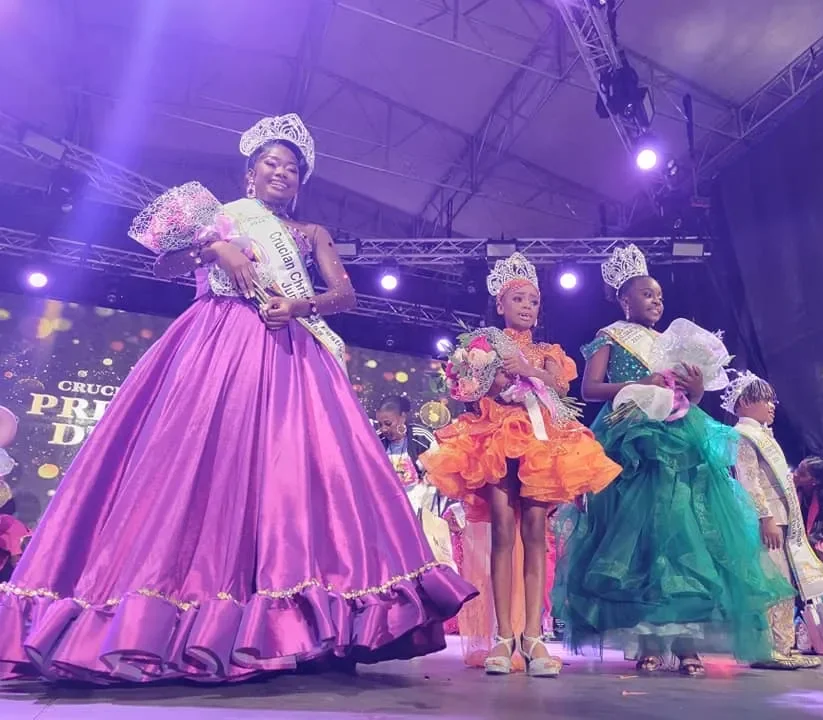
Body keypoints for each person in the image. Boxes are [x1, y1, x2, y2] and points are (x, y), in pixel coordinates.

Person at [0, 113, 476, 684]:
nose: (281, 173)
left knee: (292, 485)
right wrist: (214, 249)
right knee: (202, 474)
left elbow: (344, 295)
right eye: (271, 164)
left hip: (290, 357)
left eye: (292, 168)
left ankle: (294, 625)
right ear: (250, 175)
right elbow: (166, 262)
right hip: (215, 346)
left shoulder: (309, 234)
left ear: (301, 181)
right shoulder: (221, 218)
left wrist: (299, 307)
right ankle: (165, 616)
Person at [553, 244, 793, 676]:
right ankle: (648, 639)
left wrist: (697, 390)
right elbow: (590, 389)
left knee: (686, 538)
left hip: (680, 438)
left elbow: (688, 398)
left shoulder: (673, 342)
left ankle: (686, 645)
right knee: (641, 542)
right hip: (633, 441)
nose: (656, 301)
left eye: (660, 295)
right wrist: (638, 382)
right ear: (623, 298)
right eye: (646, 294)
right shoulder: (610, 336)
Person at [421, 252, 620, 677]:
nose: (528, 307)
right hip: (494, 438)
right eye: (519, 300)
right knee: (501, 533)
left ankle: (533, 635)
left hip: (539, 441)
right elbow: (470, 389)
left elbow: (561, 385)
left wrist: (526, 369)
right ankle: (503, 634)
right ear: (500, 304)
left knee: (536, 532)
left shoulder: (549, 351)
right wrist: (493, 377)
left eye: (533, 301)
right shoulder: (483, 344)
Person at [725, 370, 823, 670]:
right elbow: (749, 480)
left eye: (772, 399)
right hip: (764, 521)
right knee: (770, 583)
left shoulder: (763, 434)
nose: (772, 405)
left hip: (780, 520)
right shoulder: (742, 434)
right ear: (744, 402)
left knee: (782, 581)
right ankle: (767, 648)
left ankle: (783, 646)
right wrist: (765, 517)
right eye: (764, 399)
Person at [376, 395, 442, 512]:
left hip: (421, 504)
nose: (383, 429)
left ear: (402, 417)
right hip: (388, 506)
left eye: (388, 423)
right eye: (380, 425)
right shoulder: (377, 440)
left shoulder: (421, 437)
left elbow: (438, 472)